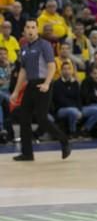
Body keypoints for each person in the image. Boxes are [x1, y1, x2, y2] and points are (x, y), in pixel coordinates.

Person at [10, 20, 70, 161]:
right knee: (24, 118)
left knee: (42, 119)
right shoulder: (24, 48)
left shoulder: (45, 45)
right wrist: (16, 91)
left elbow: (51, 66)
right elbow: (23, 71)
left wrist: (47, 83)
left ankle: (64, 140)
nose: (30, 30)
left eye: (33, 27)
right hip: (31, 85)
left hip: (43, 84)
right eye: (28, 27)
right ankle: (27, 153)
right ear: (24, 30)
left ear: (37, 30)